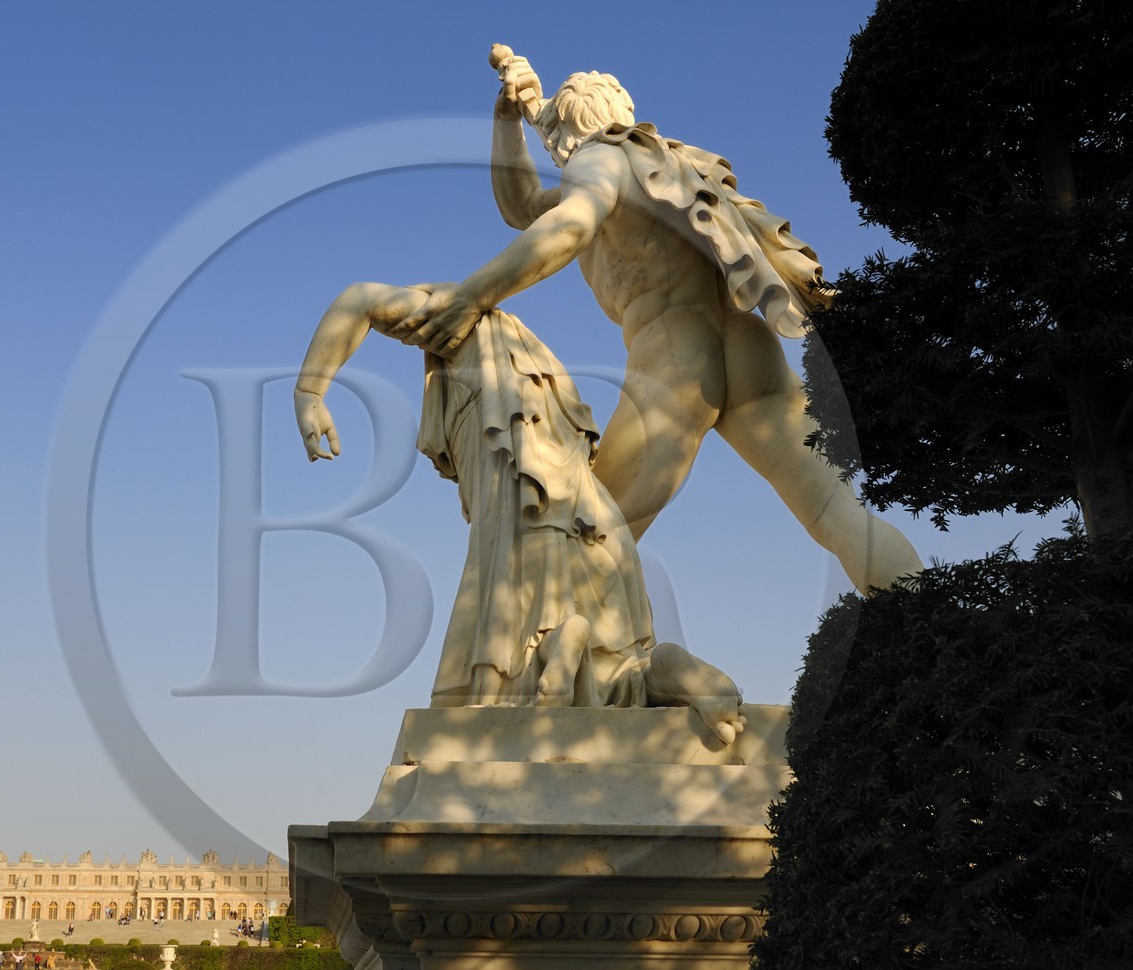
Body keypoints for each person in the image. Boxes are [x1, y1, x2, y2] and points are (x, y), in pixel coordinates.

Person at [399, 55, 923, 594]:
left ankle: (569, 673)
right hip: (750, 347)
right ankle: (931, 625)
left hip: (675, 355)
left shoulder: (594, 162)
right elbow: (526, 205)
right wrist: (511, 122)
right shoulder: (664, 164)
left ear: (564, 136)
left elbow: (567, 226)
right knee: (836, 513)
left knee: (587, 534)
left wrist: (470, 297)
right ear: (622, 109)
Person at [297, 282, 744, 736]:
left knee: (504, 593)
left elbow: (360, 300)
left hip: (515, 476)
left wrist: (310, 390)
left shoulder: (458, 319)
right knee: (610, 657)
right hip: (581, 505)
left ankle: (540, 663)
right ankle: (642, 669)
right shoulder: (531, 357)